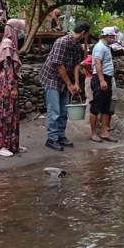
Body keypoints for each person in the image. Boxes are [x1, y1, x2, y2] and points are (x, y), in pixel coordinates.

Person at [39, 20, 91, 151]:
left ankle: (61, 136)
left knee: (64, 110)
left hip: (65, 80)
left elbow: (77, 65)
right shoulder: (62, 42)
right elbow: (59, 65)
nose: (86, 38)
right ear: (83, 33)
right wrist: (69, 84)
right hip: (52, 78)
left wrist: (76, 84)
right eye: (87, 35)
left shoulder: (77, 46)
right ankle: (52, 138)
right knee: (54, 110)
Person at [0, 19, 26, 157]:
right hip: (5, 86)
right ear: (13, 30)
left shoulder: (9, 44)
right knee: (4, 114)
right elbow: (7, 69)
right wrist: (13, 88)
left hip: (6, 85)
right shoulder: (8, 45)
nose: (21, 33)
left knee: (11, 113)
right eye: (19, 30)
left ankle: (11, 143)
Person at [90, 27, 119, 142]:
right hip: (99, 78)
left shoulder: (106, 47)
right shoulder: (100, 47)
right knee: (96, 106)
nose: (113, 38)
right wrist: (102, 80)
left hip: (107, 77)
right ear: (106, 36)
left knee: (106, 106)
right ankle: (93, 133)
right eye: (112, 36)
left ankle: (104, 132)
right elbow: (97, 63)